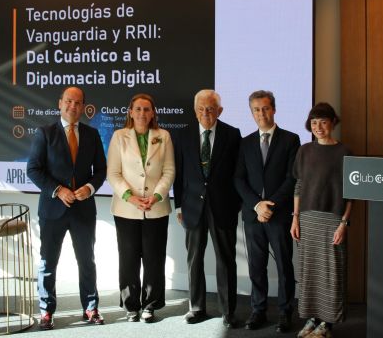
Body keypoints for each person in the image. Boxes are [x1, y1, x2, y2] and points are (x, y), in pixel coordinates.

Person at [27, 86, 107, 330]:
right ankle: (46, 311)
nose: (73, 106)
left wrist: (90, 188)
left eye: (78, 102)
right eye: (69, 101)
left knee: (87, 261)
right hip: (53, 209)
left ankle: (90, 307)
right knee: (48, 262)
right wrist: (58, 190)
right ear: (60, 103)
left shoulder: (92, 134)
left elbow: (101, 171)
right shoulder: (44, 133)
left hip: (83, 209)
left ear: (83, 107)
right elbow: (33, 169)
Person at [173, 89, 242, 328]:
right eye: (201, 109)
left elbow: (238, 173)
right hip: (192, 208)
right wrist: (179, 206)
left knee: (226, 260)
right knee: (194, 260)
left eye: (211, 109)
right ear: (195, 111)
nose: (206, 113)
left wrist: (236, 204)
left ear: (219, 111)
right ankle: (196, 307)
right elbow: (179, 174)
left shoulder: (233, 135)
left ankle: (228, 312)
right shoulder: (182, 135)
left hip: (223, 207)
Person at [234, 90, 300, 333]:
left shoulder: (290, 140)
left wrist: (270, 205)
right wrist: (257, 205)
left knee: (284, 265)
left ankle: (285, 312)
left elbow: (292, 178)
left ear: (274, 109)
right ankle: (258, 310)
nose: (261, 113)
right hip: (253, 215)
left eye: (265, 108)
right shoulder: (245, 142)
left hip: (279, 215)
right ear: (251, 112)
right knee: (256, 266)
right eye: (256, 109)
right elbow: (238, 178)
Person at [106, 93, 175, 323]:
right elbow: (113, 173)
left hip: (156, 207)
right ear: (130, 112)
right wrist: (130, 197)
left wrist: (156, 196)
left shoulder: (164, 136)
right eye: (138, 109)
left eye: (146, 109)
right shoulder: (119, 136)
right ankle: (131, 306)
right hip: (126, 209)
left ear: (153, 113)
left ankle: (150, 305)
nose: (142, 113)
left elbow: (169, 171)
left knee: (154, 259)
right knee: (128, 259)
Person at [290, 103, 352, 338]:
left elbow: (351, 193)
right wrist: (295, 218)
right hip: (307, 219)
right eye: (314, 123)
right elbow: (299, 185)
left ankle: (327, 324)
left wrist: (344, 223)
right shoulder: (304, 151)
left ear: (333, 123)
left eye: (323, 122)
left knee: (331, 273)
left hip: (333, 219)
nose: (318, 127)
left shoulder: (345, 152)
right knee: (309, 272)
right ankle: (312, 319)